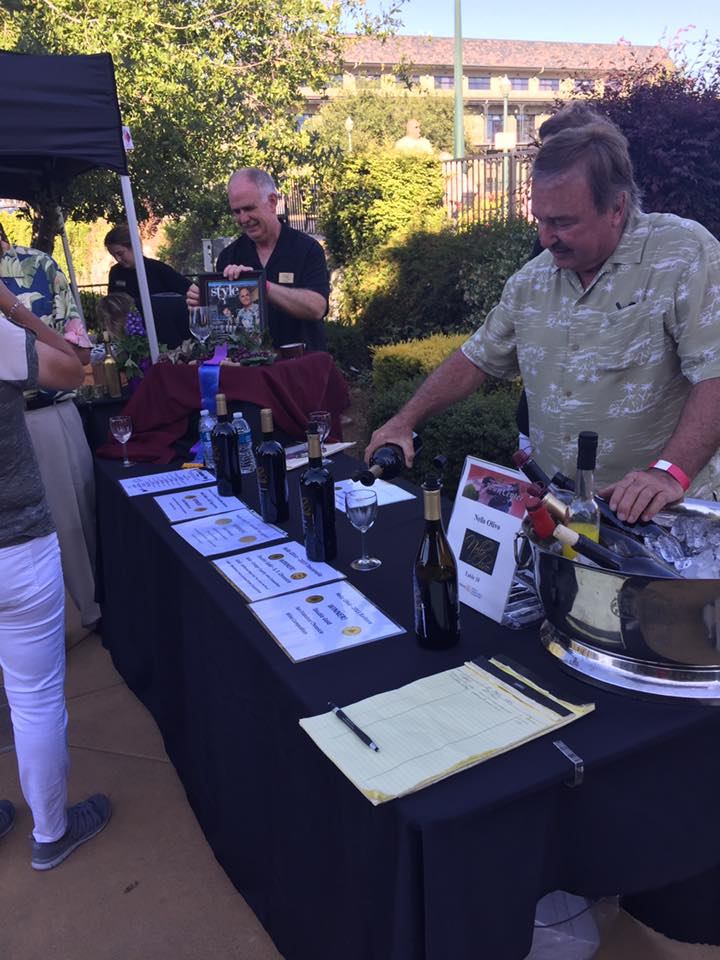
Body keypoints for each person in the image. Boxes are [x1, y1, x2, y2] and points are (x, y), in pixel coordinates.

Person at [366, 123, 720, 524]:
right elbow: (476, 358)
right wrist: (403, 420)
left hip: (662, 519)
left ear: (617, 208)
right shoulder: (532, 281)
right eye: (540, 220)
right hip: (562, 518)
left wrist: (669, 472)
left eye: (563, 222)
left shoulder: (682, 254)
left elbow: (715, 372)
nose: (547, 237)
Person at [0, 279, 111, 868]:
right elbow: (72, 368)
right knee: (35, 697)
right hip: (14, 544)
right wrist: (13, 307)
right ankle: (51, 831)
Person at [0, 230, 101, 632]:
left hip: (40, 417)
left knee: (72, 532)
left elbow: (80, 357)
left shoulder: (37, 266)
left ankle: (89, 624)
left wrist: (12, 311)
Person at [186, 168, 330, 351]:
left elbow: (317, 308)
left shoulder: (307, 249)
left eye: (249, 208)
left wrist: (260, 286)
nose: (243, 219)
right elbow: (223, 324)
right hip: (249, 366)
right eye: (236, 211)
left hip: (300, 364)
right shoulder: (229, 256)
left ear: (272, 202)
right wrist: (204, 302)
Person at [105, 224, 190, 305]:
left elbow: (190, 291)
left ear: (134, 247)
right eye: (113, 255)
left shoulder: (158, 269)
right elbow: (112, 304)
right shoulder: (115, 272)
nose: (118, 259)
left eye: (120, 253)